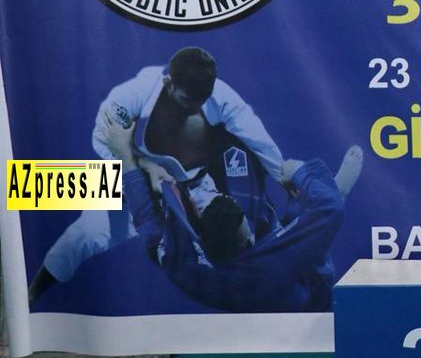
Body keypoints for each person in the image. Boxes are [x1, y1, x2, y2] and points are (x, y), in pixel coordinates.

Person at [28, 46, 285, 304]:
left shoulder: (220, 97)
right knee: (47, 200)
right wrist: (144, 167)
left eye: (201, 101)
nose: (194, 109)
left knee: (230, 234)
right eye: (187, 100)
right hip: (127, 177)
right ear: (168, 84)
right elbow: (104, 140)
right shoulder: (133, 95)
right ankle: (30, 296)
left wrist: (283, 175)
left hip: (194, 189)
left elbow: (258, 138)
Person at [98, 110, 362, 312]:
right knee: (308, 247)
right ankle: (327, 194)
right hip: (297, 296)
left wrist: (128, 158)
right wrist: (299, 172)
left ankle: (305, 208)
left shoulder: (185, 264)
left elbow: (148, 223)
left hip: (238, 281)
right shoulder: (272, 262)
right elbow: (329, 209)